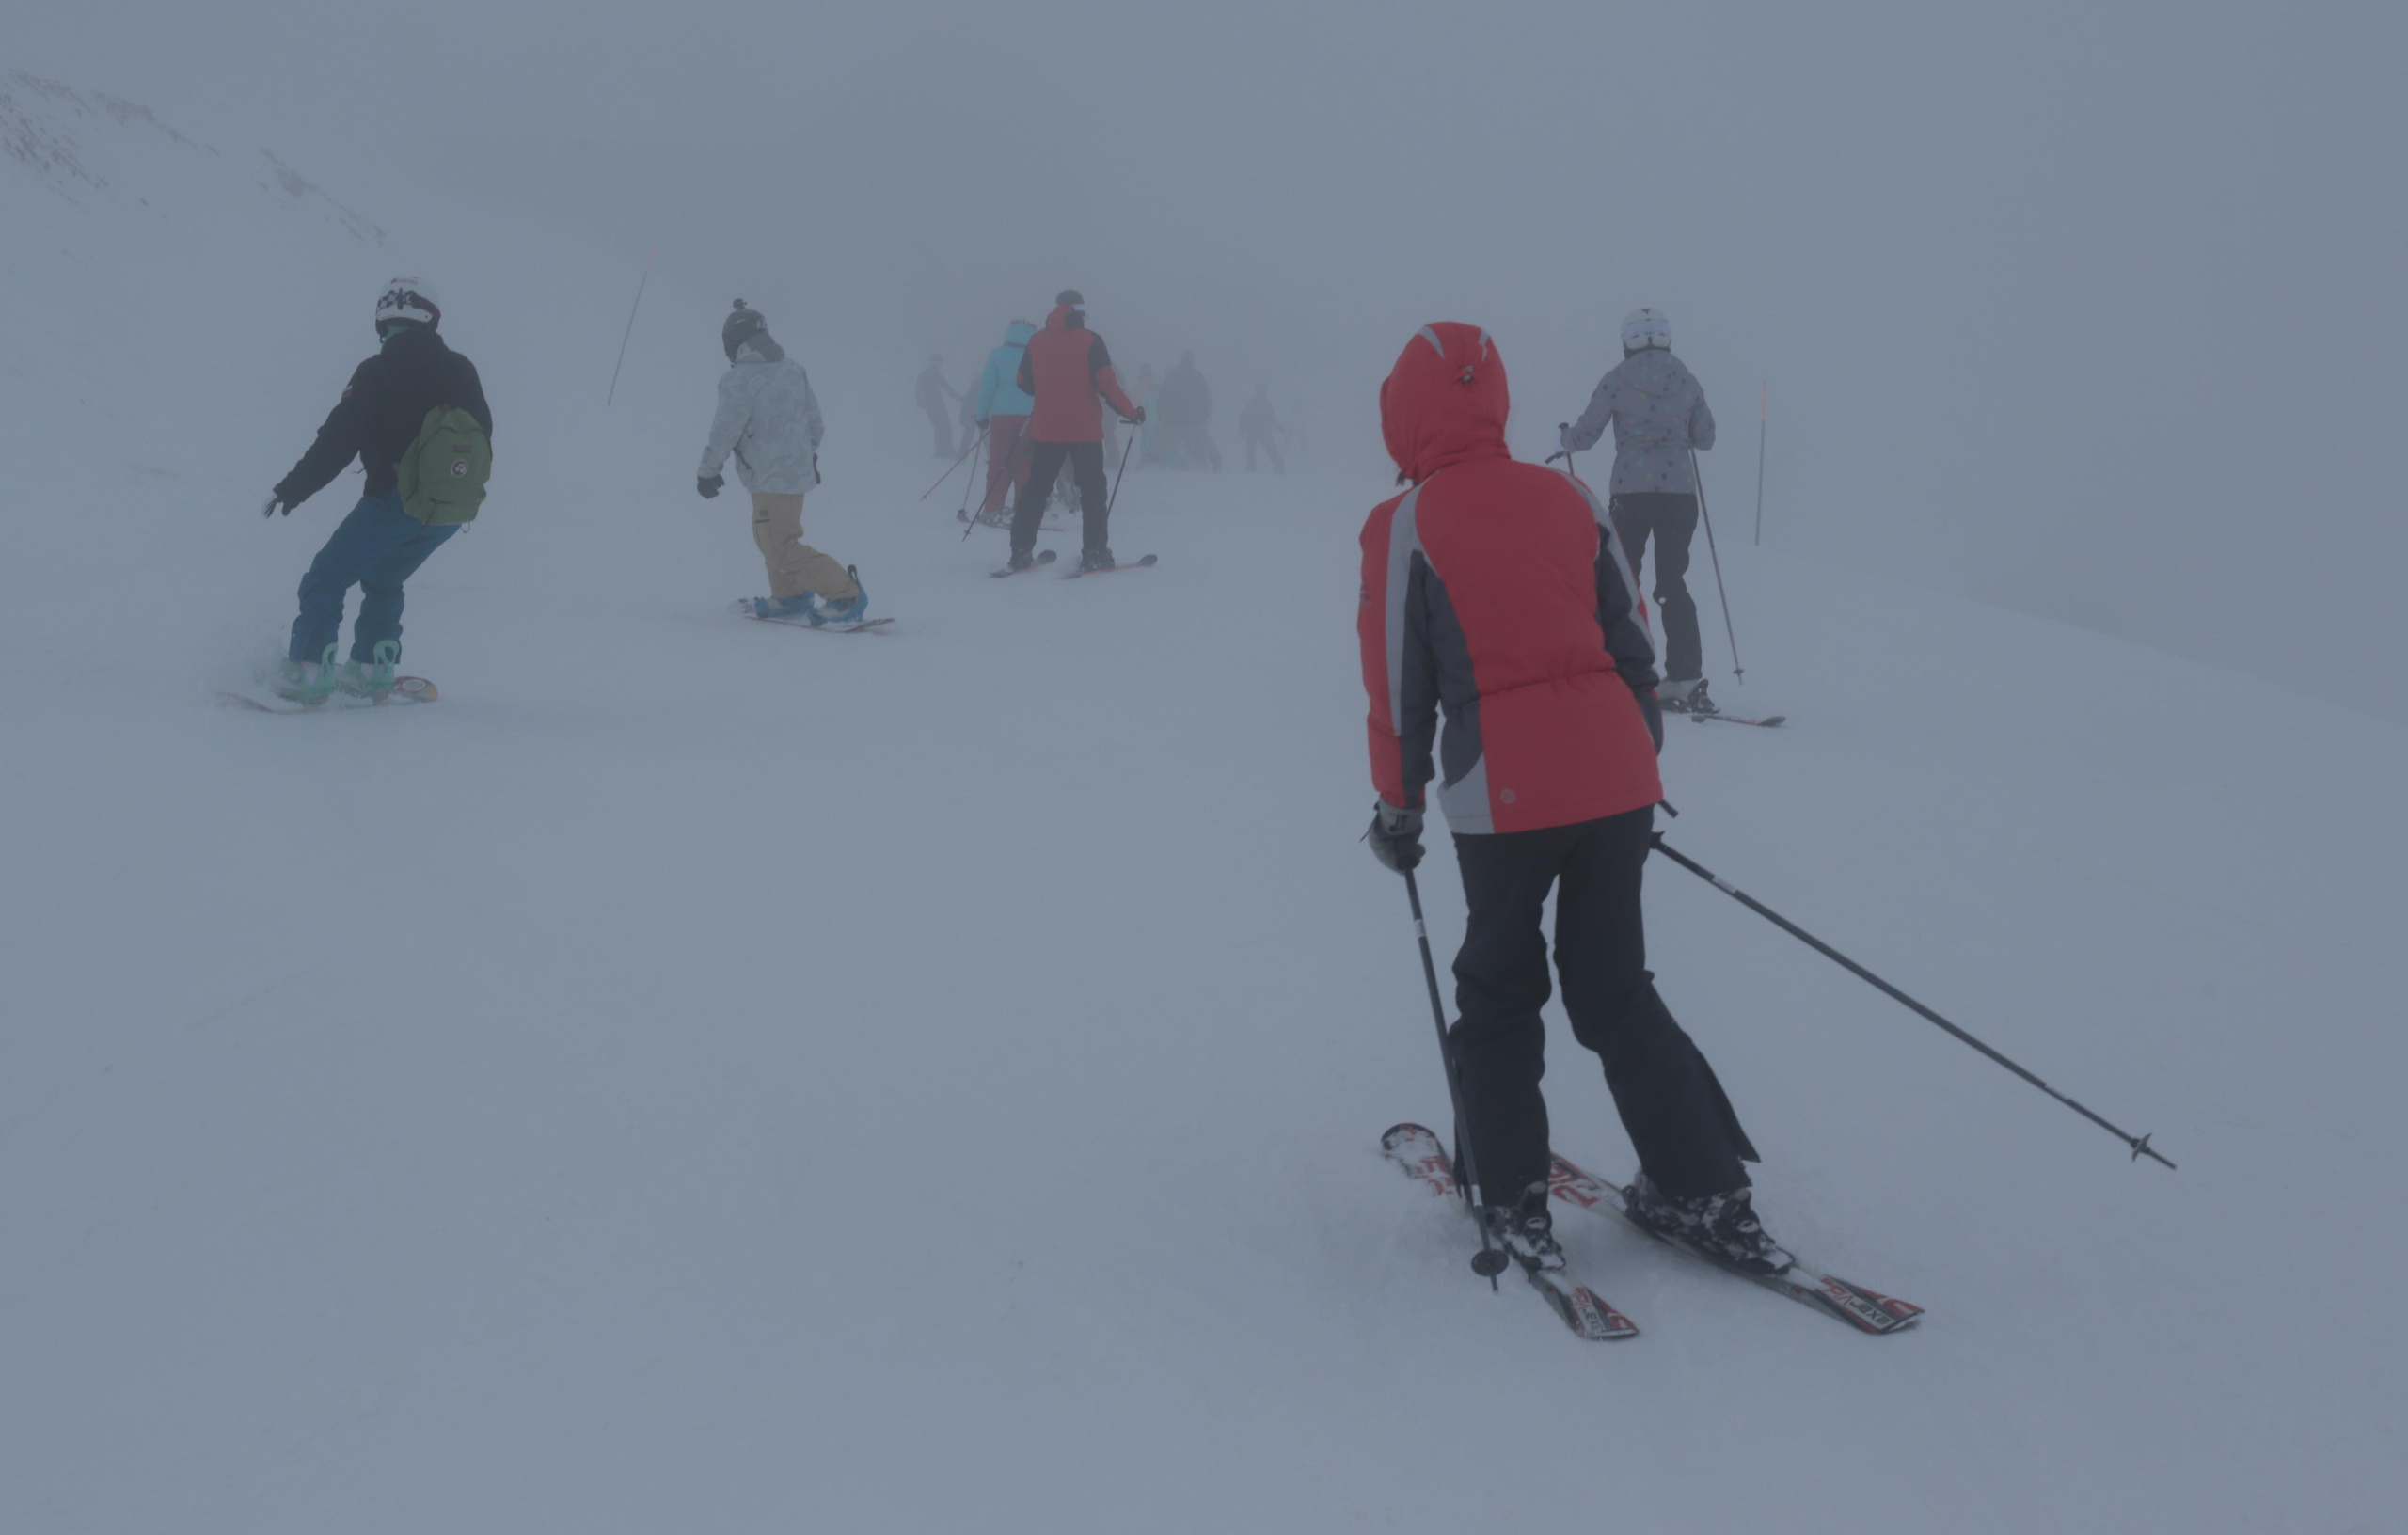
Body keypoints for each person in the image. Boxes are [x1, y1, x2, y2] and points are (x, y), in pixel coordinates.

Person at [1356, 320, 1781, 1279]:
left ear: (1405, 416)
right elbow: (1633, 641)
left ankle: (1509, 1203)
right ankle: (1702, 1187)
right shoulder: (1569, 494)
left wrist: (1399, 808)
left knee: (1499, 994)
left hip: (1498, 799)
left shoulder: (1406, 524)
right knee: (1614, 988)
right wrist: (1631, 769)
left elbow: (1395, 685)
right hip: (1615, 783)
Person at [261, 277, 491, 702]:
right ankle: (371, 669)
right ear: (431, 318)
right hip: (449, 511)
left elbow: (338, 440)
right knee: (385, 577)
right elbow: (483, 434)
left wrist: (291, 488)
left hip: (395, 501)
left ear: (384, 322)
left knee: (326, 577)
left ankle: (308, 672)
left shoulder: (377, 370)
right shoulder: (462, 368)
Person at [1557, 308, 1719, 714]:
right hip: (1680, 495)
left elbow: (1586, 434)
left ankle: (1620, 668)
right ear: (1666, 339)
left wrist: (1566, 438)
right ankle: (1684, 675)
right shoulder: (1686, 378)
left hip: (1631, 492)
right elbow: (1706, 438)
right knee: (1673, 583)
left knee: (1621, 579)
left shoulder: (1616, 379)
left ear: (1628, 340)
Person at [699, 301, 865, 625]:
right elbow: (815, 423)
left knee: (778, 545)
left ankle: (846, 594)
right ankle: (789, 595)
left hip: (769, 475)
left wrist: (708, 470)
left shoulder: (740, 379)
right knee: (771, 538)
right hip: (791, 472)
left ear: (735, 341)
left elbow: (725, 430)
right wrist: (805, 455)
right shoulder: (793, 369)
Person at [1009, 290, 1145, 572]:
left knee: (1035, 491)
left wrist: (1047, 391)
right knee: (1093, 492)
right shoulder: (1091, 341)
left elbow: (1023, 381)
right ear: (1079, 312)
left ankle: (1020, 552)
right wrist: (1132, 413)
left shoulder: (1036, 341)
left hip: (1046, 429)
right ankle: (1094, 552)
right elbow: (1106, 384)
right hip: (1085, 431)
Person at [972, 320, 1038, 526]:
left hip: (1002, 417)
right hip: (1031, 417)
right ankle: (1024, 511)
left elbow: (987, 388)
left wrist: (981, 416)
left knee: (999, 462)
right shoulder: (1037, 355)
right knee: (1026, 464)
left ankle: (992, 508)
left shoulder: (997, 354)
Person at [1153, 350, 1220, 469]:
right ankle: (1215, 459)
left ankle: (1154, 462)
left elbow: (1162, 397)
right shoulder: (1198, 377)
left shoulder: (1174, 376)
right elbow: (1207, 399)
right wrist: (1204, 416)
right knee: (1203, 438)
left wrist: (1160, 415)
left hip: (1174, 418)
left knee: (1164, 439)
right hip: (1194, 419)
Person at [916, 353, 963, 457]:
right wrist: (962, 399)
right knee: (945, 426)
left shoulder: (923, 374)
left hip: (930, 405)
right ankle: (946, 450)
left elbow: (918, 390)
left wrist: (923, 403)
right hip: (937, 404)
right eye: (939, 363)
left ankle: (940, 451)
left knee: (939, 427)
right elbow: (948, 389)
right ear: (938, 363)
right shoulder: (935, 374)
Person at [1238, 385, 1284, 473]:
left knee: (1270, 450)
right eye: (1262, 392)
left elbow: (1272, 418)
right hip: (1256, 431)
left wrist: (1279, 427)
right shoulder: (1254, 403)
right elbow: (1244, 417)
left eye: (1263, 392)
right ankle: (1251, 470)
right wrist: (1241, 432)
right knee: (1253, 452)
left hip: (1260, 431)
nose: (1263, 394)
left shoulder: (1263, 404)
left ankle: (1279, 468)